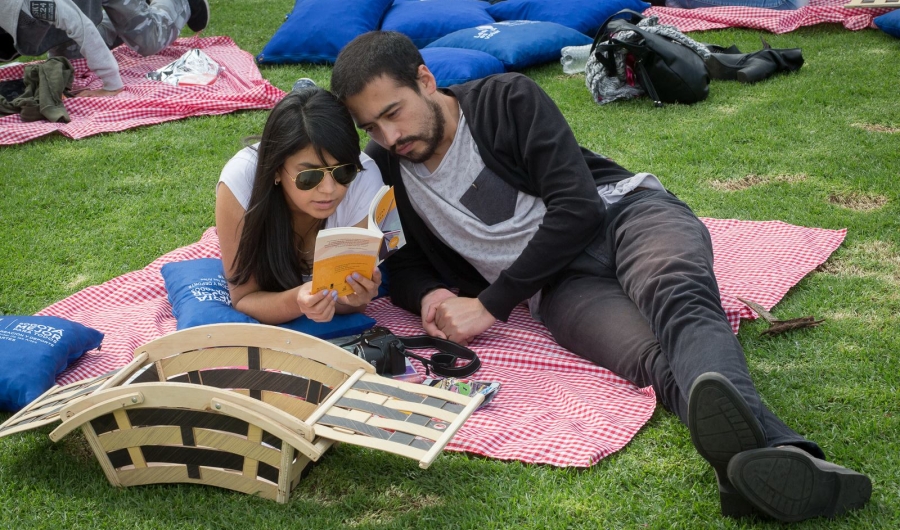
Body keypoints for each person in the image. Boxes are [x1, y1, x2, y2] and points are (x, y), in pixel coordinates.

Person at [330, 31, 871, 522]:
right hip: (556, 288)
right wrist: (432, 293)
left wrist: (492, 304)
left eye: (394, 112)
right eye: (372, 126)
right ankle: (777, 461)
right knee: (649, 361)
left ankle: (767, 464)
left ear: (425, 80)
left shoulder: (506, 100)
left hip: (624, 218)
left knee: (677, 300)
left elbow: (577, 208)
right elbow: (400, 263)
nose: (389, 134)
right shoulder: (388, 168)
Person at [215, 84, 383, 325]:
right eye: (309, 177)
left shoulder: (364, 177)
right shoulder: (240, 181)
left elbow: (353, 302)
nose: (329, 189)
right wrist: (297, 301)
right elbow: (243, 297)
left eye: (343, 172)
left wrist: (351, 299)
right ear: (276, 170)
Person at [0, 0, 210, 97]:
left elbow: (78, 24)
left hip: (67, 12)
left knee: (148, 40)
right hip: (67, 12)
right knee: (70, 64)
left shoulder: (37, 4)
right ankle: (128, 16)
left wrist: (111, 86)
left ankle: (182, 4)